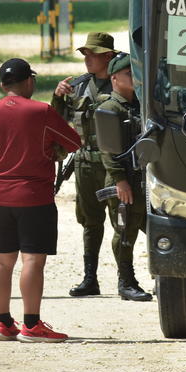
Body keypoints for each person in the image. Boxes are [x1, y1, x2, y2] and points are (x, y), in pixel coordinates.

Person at [0, 58, 81, 342]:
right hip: (34, 198)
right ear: (29, 81)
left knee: (1, 261)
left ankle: (3, 323)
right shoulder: (41, 111)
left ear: (3, 84)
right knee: (32, 259)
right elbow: (74, 142)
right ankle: (31, 324)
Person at [51, 32, 117, 297]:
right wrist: (57, 97)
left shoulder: (122, 83)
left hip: (114, 162)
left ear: (108, 56)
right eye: (86, 54)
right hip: (86, 161)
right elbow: (56, 122)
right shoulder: (78, 87)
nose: (87, 59)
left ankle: (128, 279)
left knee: (124, 220)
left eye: (93, 54)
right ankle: (90, 278)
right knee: (91, 222)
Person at [96, 52, 153, 301]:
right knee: (125, 233)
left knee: (154, 230)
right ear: (114, 78)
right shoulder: (110, 108)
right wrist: (120, 180)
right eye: (130, 74)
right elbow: (108, 149)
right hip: (125, 183)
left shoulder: (143, 105)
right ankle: (125, 281)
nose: (134, 78)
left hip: (145, 182)